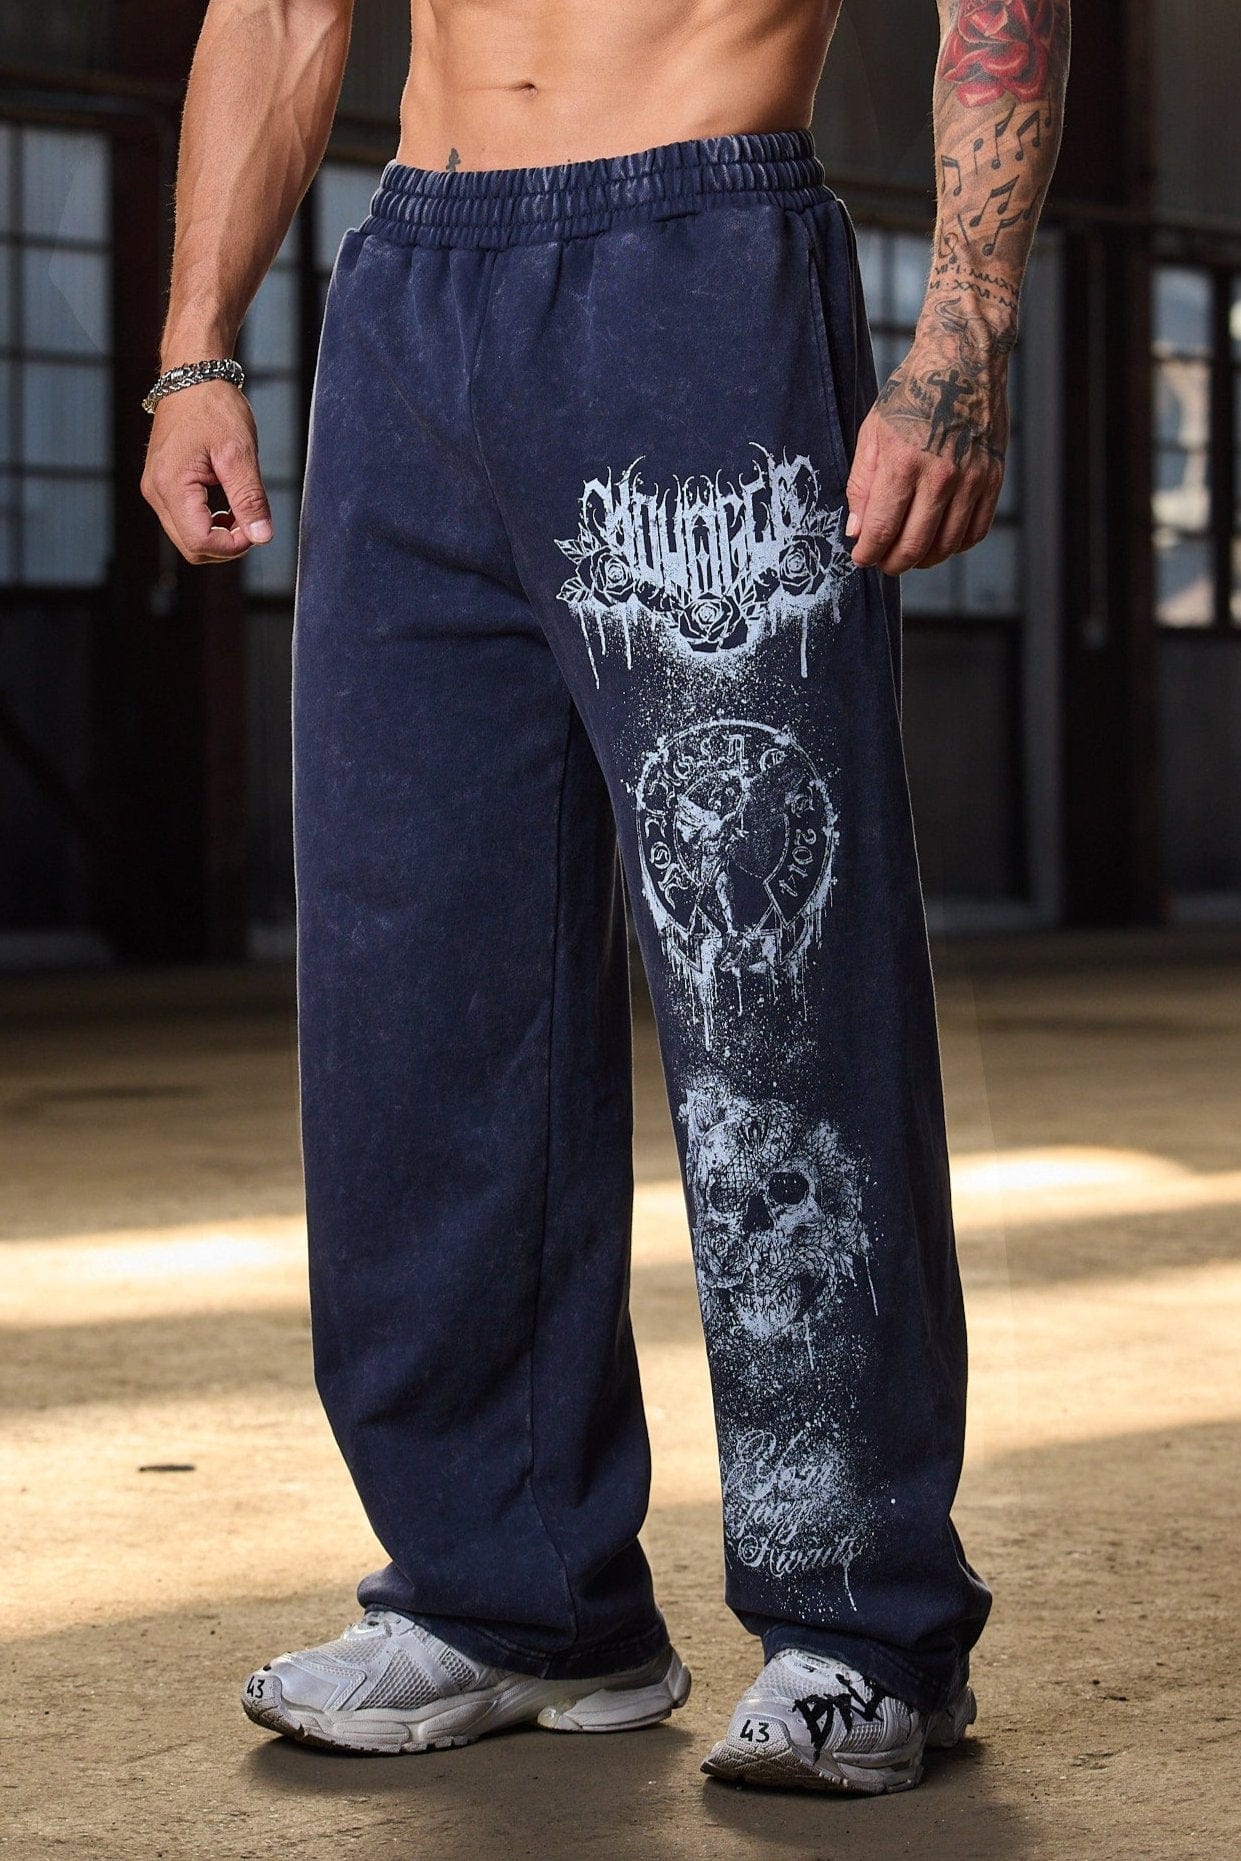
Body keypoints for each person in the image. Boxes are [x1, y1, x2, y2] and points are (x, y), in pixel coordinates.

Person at [141, 0, 1069, 1797]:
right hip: (410, 290)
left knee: (772, 991)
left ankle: (859, 1617)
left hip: (696, 260)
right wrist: (194, 350)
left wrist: (961, 335)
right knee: (417, 981)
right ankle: (512, 1593)